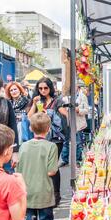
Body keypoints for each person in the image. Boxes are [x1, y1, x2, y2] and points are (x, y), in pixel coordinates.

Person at [17, 113, 58, 220]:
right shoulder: (51, 147)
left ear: (30, 128)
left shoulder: (23, 146)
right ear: (48, 130)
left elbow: (18, 169)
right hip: (44, 193)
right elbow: (51, 171)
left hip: (27, 194)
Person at [28, 77, 67, 207]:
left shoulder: (57, 101)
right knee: (43, 165)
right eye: (40, 88)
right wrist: (34, 104)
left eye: (45, 88)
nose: (43, 90)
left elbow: (65, 113)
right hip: (41, 137)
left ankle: (56, 194)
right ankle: (47, 193)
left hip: (55, 137)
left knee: (53, 166)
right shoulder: (37, 100)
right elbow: (29, 117)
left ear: (50, 88)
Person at [60, 86, 88, 167]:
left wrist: (78, 110)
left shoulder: (82, 96)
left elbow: (86, 110)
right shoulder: (64, 97)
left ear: (77, 86)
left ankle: (78, 160)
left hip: (78, 123)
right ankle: (64, 160)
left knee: (78, 142)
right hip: (67, 122)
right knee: (65, 141)